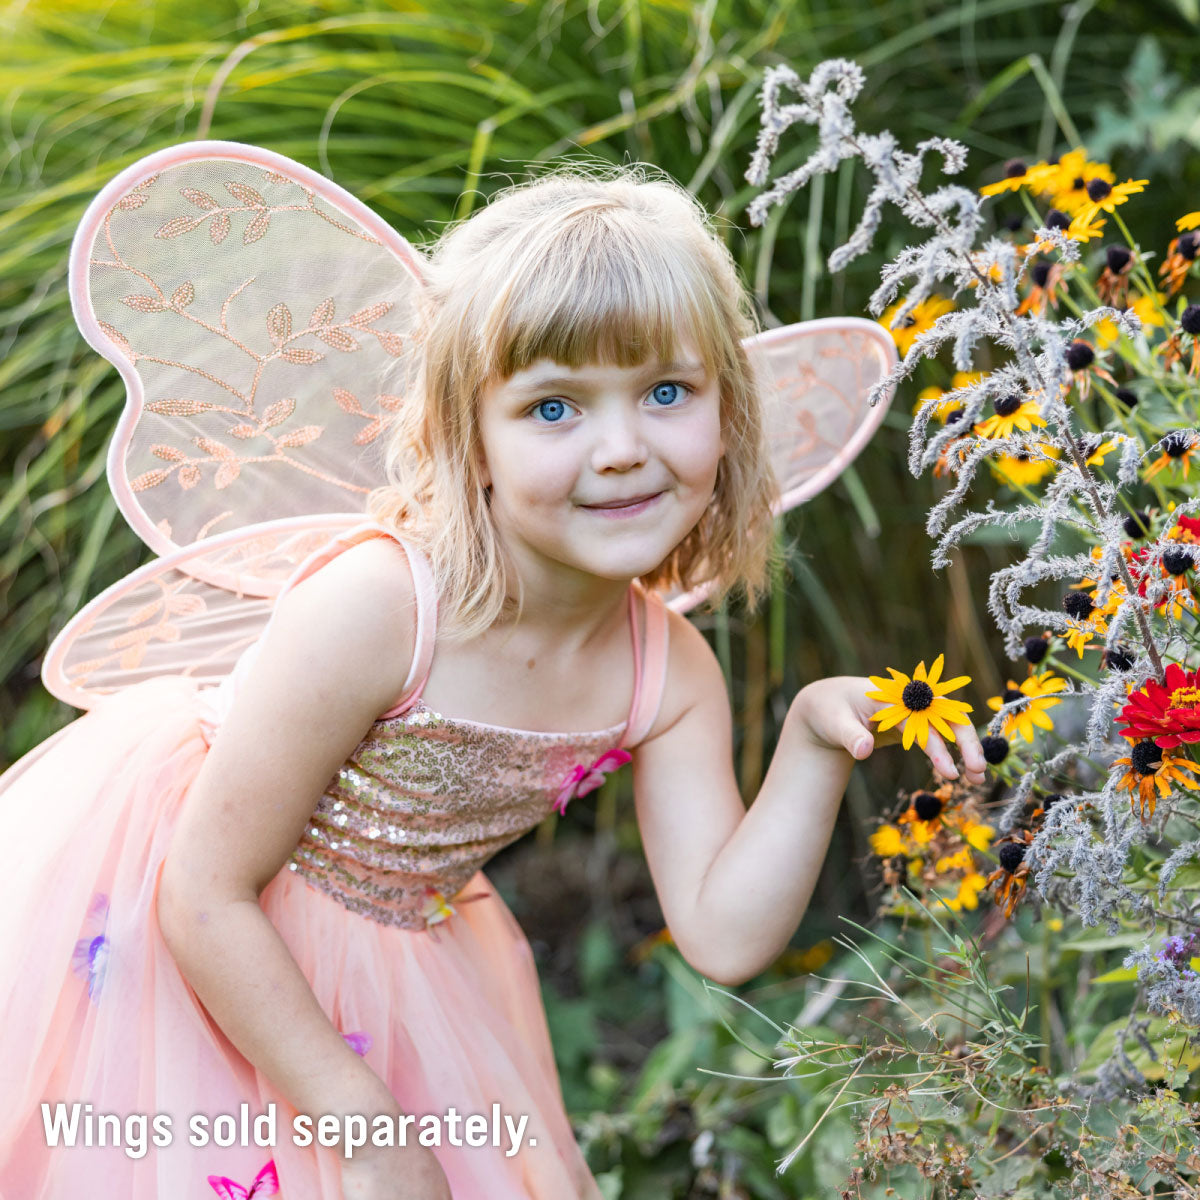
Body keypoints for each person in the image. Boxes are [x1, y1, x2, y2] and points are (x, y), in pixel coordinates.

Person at [0, 160, 986, 1200]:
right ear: (467, 438)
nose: (619, 450)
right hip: (199, 941)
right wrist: (367, 1129)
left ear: (730, 415)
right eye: (554, 408)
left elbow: (726, 933)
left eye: (666, 392)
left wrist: (813, 744)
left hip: (406, 971)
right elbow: (201, 895)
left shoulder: (664, 671)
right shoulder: (381, 607)